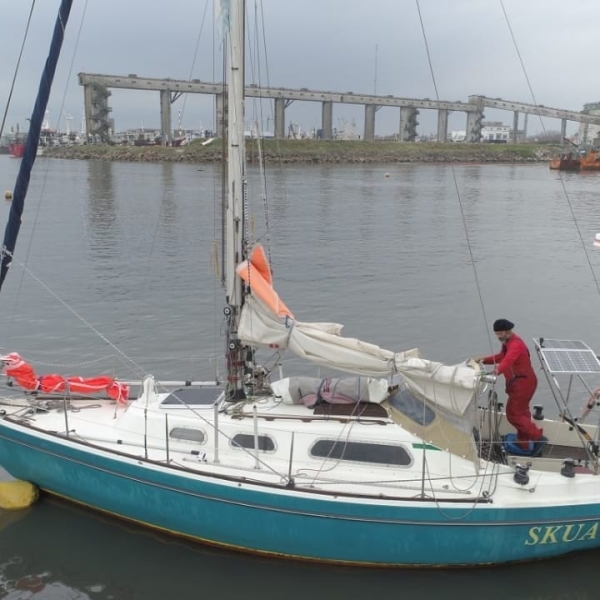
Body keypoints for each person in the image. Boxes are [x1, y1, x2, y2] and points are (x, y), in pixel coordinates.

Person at [473, 318, 547, 455]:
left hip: (523, 384)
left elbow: (508, 360)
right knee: (522, 413)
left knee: (513, 414)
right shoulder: (508, 343)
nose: (498, 337)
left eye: (500, 333)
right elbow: (502, 356)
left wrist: (496, 372)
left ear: (508, 331)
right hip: (521, 383)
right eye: (496, 334)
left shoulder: (516, 344)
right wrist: (483, 360)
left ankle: (538, 438)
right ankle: (523, 443)